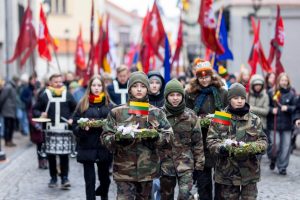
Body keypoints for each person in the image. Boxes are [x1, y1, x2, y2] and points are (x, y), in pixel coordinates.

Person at [101, 71, 173, 199]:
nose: (139, 89)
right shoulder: (117, 112)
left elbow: (169, 136)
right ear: (129, 89)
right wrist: (117, 139)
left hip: (148, 170)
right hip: (124, 171)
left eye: (143, 86)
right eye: (135, 86)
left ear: (147, 89)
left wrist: (156, 137)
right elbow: (105, 137)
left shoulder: (156, 113)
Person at [207, 83, 268, 200]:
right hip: (227, 172)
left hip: (249, 171)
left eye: (242, 98)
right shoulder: (221, 117)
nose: (239, 101)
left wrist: (252, 147)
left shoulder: (254, 119)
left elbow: (263, 141)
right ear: (230, 99)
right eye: (236, 98)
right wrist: (224, 148)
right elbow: (211, 141)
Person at [185, 61, 227, 200]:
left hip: (219, 140)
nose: (204, 80)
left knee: (220, 179)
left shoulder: (221, 92)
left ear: (211, 76)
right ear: (197, 78)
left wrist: (216, 118)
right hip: (200, 142)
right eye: (201, 77)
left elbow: (227, 113)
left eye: (207, 77)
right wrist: (198, 119)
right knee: (203, 181)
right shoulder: (191, 94)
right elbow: (188, 114)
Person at [160, 79, 204, 199]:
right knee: (166, 195)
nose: (175, 98)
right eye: (172, 95)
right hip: (165, 164)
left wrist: (199, 164)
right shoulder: (159, 115)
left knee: (184, 195)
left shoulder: (191, 116)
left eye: (178, 95)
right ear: (166, 96)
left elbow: (198, 141)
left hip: (185, 163)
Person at [33, 73, 77, 189]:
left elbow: (76, 109)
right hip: (49, 130)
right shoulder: (45, 95)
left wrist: (72, 118)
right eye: (56, 82)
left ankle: (64, 178)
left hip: (64, 130)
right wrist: (40, 114)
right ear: (50, 83)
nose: (58, 84)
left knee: (64, 155)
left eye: (60, 81)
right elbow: (35, 110)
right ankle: (53, 178)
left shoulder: (67, 94)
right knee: (51, 155)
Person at [72, 75, 112, 200]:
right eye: (94, 85)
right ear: (90, 87)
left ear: (103, 87)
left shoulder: (109, 105)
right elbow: (75, 125)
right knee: (90, 181)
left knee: (105, 179)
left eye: (99, 85)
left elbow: (114, 123)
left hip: (104, 146)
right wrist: (83, 128)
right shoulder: (83, 104)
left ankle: (103, 195)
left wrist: (108, 126)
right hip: (87, 145)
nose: (96, 88)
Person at [267, 72, 296, 175]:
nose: (284, 82)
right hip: (273, 125)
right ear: (278, 81)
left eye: (285, 80)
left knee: (286, 147)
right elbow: (267, 106)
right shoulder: (272, 92)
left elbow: (296, 108)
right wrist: (271, 110)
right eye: (282, 80)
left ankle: (282, 167)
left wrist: (287, 108)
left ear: (288, 82)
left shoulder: (292, 94)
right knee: (275, 145)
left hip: (287, 125)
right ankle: (273, 158)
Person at [248, 74, 270, 157]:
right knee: (249, 146)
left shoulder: (265, 96)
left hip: (261, 125)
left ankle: (257, 164)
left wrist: (252, 108)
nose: (257, 87)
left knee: (259, 147)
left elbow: (266, 111)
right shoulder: (248, 95)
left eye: (259, 85)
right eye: (256, 85)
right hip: (249, 124)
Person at [0, 76, 19, 147]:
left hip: (12, 110)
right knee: (7, 126)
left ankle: (10, 140)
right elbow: (2, 98)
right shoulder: (8, 87)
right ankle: (7, 141)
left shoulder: (13, 87)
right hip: (7, 110)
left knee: (11, 127)